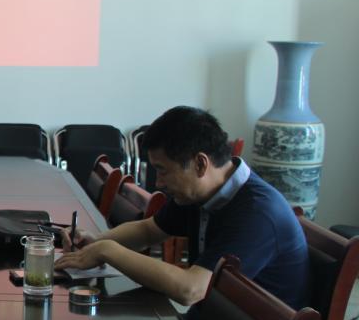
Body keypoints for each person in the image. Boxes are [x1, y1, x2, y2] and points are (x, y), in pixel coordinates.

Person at [56, 106, 309, 309]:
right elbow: (149, 230)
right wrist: (96, 242)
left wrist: (108, 251)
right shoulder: (201, 192)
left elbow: (192, 289)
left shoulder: (257, 213)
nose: (158, 182)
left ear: (200, 164)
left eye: (163, 170)